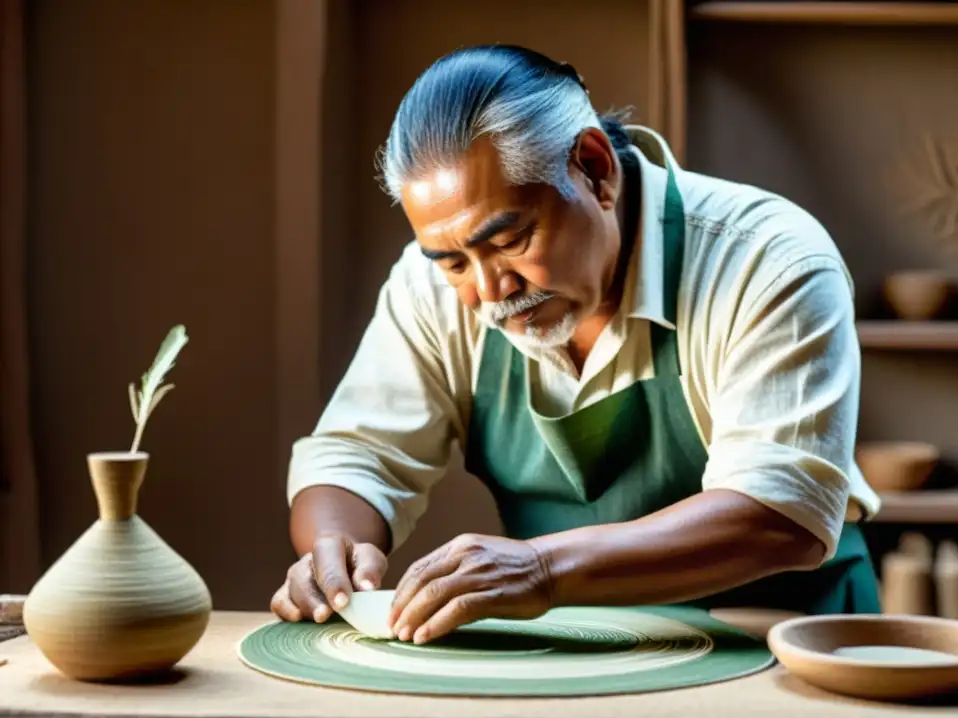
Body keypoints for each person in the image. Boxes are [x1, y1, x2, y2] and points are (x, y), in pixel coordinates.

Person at [271, 44, 882, 645]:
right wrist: (337, 553)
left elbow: (777, 516)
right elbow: (358, 457)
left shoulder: (767, 258)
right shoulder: (429, 284)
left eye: (511, 239)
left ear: (594, 167)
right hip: (580, 644)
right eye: (454, 262)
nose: (489, 290)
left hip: (783, 641)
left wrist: (542, 568)